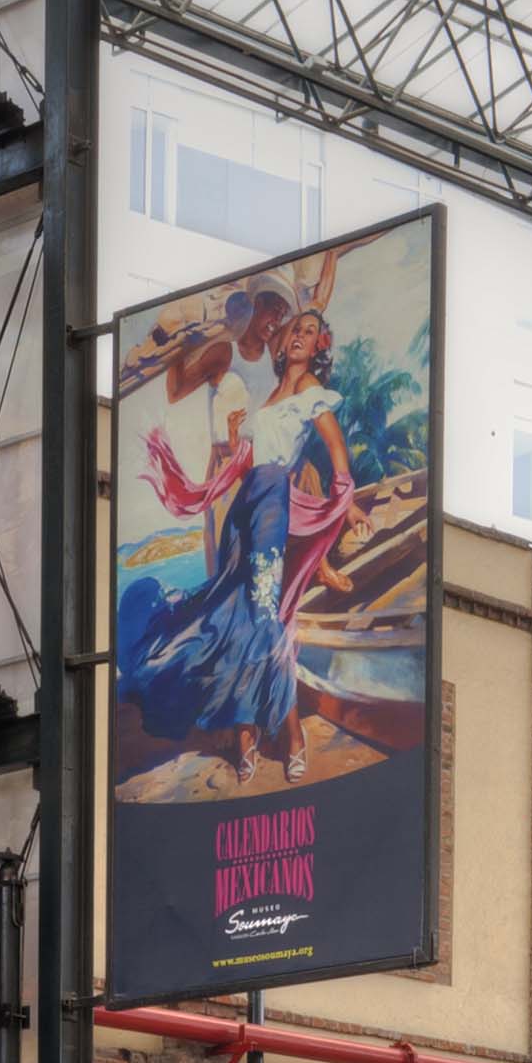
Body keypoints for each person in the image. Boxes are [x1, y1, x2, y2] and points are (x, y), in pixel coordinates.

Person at [121, 293, 362, 784]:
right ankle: (249, 732)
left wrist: (346, 500)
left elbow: (335, 450)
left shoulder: (312, 388)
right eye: (296, 328)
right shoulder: (271, 397)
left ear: (320, 346)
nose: (298, 334)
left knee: (264, 616)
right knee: (236, 621)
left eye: (309, 331)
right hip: (245, 506)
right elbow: (252, 463)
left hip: (274, 499)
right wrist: (235, 445)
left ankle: (283, 735)